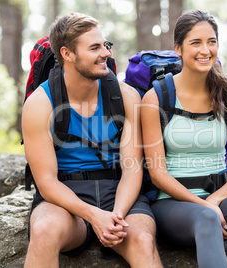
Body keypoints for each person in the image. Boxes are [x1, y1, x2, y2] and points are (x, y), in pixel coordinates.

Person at [22, 13, 162, 268]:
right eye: (95, 47)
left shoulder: (127, 96)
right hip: (65, 200)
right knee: (44, 232)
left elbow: (132, 170)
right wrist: (94, 216)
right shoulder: (39, 104)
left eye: (105, 45)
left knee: (142, 239)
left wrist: (116, 216)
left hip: (121, 196)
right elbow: (46, 183)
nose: (107, 53)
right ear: (67, 54)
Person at [141, 10, 227, 268]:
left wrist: (214, 201)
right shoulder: (156, 98)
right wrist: (207, 208)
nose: (206, 50)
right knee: (206, 218)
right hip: (172, 205)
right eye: (196, 42)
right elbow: (158, 174)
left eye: (211, 41)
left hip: (219, 196)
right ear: (178, 49)